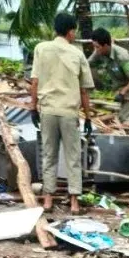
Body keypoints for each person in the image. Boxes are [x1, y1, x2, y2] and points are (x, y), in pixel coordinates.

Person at [30, 12, 94, 214]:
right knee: (73, 157)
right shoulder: (77, 54)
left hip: (48, 111)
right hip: (69, 112)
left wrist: (33, 107)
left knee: (48, 155)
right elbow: (84, 90)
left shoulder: (41, 49)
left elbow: (35, 81)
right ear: (70, 31)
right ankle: (74, 202)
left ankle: (48, 200)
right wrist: (88, 117)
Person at [89, 28, 129, 123]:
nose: (95, 50)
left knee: (123, 119)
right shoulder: (98, 52)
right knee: (109, 116)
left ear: (105, 45)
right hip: (117, 89)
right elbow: (86, 65)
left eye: (97, 47)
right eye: (94, 47)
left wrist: (123, 92)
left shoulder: (122, 56)